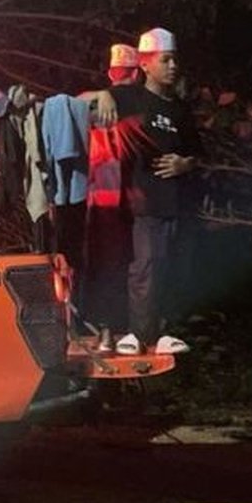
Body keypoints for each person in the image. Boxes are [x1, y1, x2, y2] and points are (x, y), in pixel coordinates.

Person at [108, 28, 200, 356]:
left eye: (175, 59)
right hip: (143, 201)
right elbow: (89, 99)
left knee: (171, 266)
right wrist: (104, 96)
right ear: (146, 65)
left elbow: (197, 153)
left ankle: (163, 331)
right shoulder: (132, 98)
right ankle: (138, 333)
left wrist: (184, 164)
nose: (173, 66)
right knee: (144, 266)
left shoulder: (181, 110)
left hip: (176, 203)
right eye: (165, 60)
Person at [84, 44, 141, 348]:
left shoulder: (98, 104)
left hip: (106, 199)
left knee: (109, 266)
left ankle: (109, 332)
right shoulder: (135, 102)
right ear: (137, 73)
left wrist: (101, 93)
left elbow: (69, 102)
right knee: (131, 266)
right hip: (126, 200)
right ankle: (126, 330)